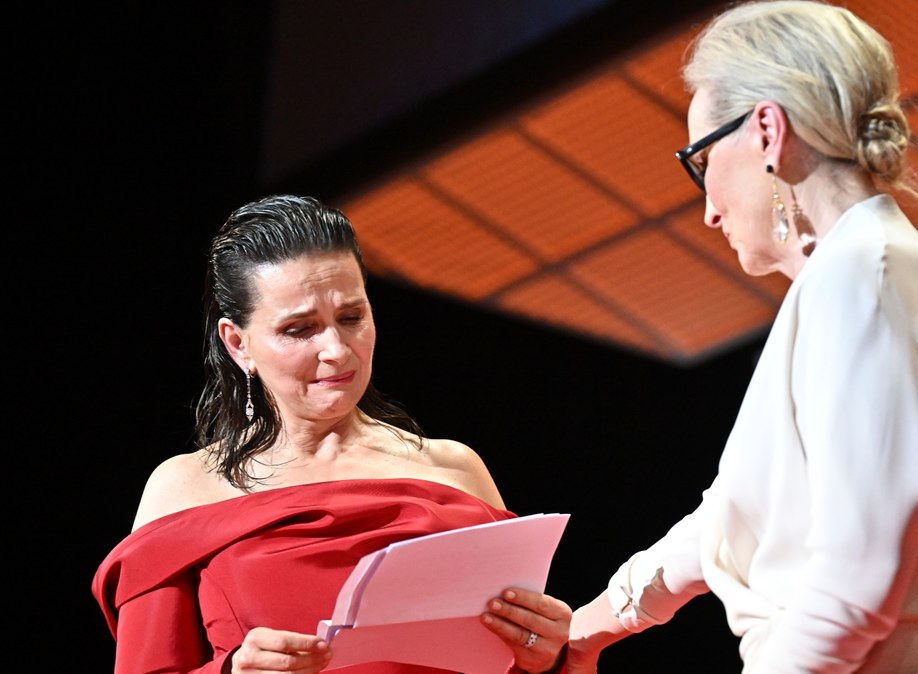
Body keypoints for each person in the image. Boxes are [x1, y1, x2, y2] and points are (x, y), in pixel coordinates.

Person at [566, 1, 918, 673]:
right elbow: (730, 518)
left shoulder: (869, 277)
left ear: (767, 131)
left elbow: (851, 590)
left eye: (700, 160)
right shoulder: (849, 276)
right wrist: (589, 626)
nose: (708, 209)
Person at [92, 194, 571, 674]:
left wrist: (546, 657)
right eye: (300, 329)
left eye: (351, 318)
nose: (337, 351)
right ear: (239, 345)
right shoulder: (184, 487)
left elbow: (512, 653)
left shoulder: (454, 469)